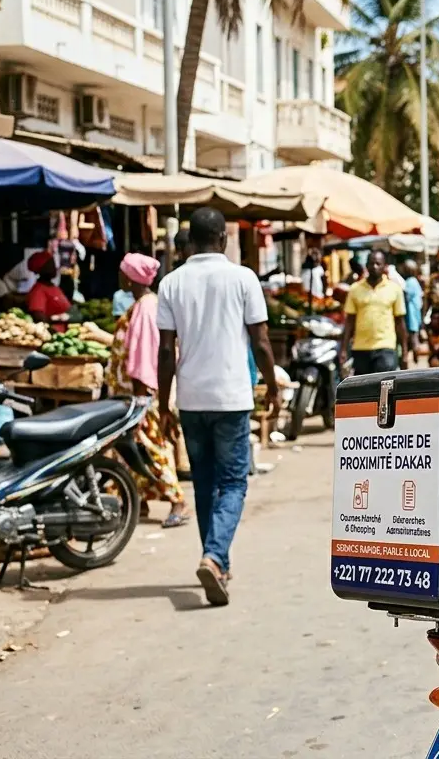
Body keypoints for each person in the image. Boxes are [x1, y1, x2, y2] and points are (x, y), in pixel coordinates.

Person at [156, 207, 279, 607]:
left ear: (190, 241)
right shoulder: (243, 279)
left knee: (205, 483)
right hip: (231, 397)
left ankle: (217, 561)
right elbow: (260, 341)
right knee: (233, 482)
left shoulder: (171, 283)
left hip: (191, 398)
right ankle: (214, 556)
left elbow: (164, 351)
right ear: (224, 239)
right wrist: (273, 385)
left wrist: (162, 402)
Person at [107, 253, 188, 527]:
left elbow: (144, 355)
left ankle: (178, 500)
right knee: (132, 450)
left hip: (141, 394)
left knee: (151, 447)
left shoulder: (146, 308)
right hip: (133, 394)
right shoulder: (142, 304)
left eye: (121, 272)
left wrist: (141, 395)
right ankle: (137, 501)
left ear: (130, 278)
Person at [341, 250, 406, 376]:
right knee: (364, 391)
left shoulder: (394, 289)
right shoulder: (355, 289)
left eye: (378, 264)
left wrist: (404, 352)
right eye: (371, 264)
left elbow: (400, 322)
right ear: (366, 266)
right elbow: (349, 321)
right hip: (361, 348)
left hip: (386, 347)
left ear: (384, 266)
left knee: (384, 387)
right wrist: (343, 349)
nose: (374, 267)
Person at [25, 252, 70, 324]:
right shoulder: (38, 291)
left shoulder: (54, 287)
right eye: (50, 264)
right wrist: (59, 318)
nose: (54, 267)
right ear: (41, 269)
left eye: (53, 263)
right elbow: (39, 318)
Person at [399, 259, 424, 368]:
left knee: (413, 337)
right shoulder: (414, 281)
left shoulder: (410, 281)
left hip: (411, 315)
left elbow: (406, 296)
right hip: (415, 314)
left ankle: (415, 354)